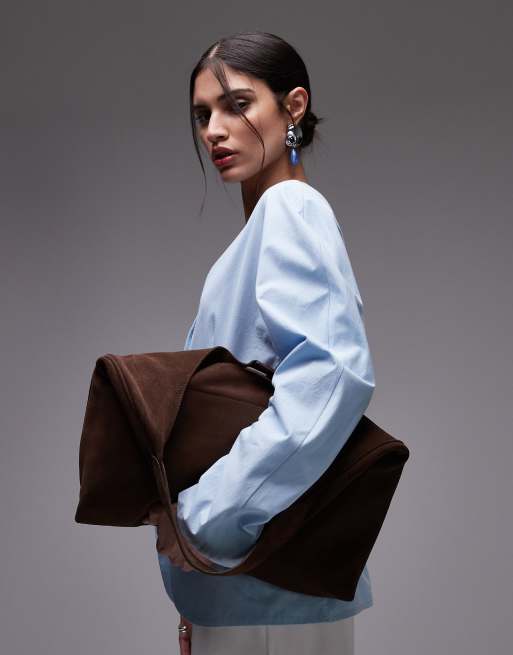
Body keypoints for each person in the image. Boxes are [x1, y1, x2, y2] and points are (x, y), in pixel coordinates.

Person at [142, 30, 376, 655]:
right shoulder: (253, 238)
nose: (215, 130)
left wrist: (207, 520)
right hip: (245, 589)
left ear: (293, 106)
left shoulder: (290, 209)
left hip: (270, 592)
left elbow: (331, 376)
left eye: (237, 105)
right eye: (203, 115)